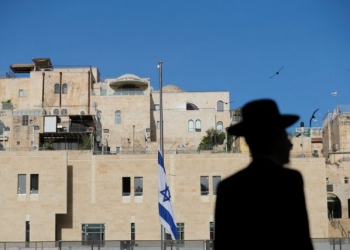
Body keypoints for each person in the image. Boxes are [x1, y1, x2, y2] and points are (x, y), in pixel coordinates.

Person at [214, 99, 313, 250]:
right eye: (285, 136)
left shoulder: (227, 187)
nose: (290, 144)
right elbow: (301, 240)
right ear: (274, 139)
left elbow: (222, 244)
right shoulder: (289, 180)